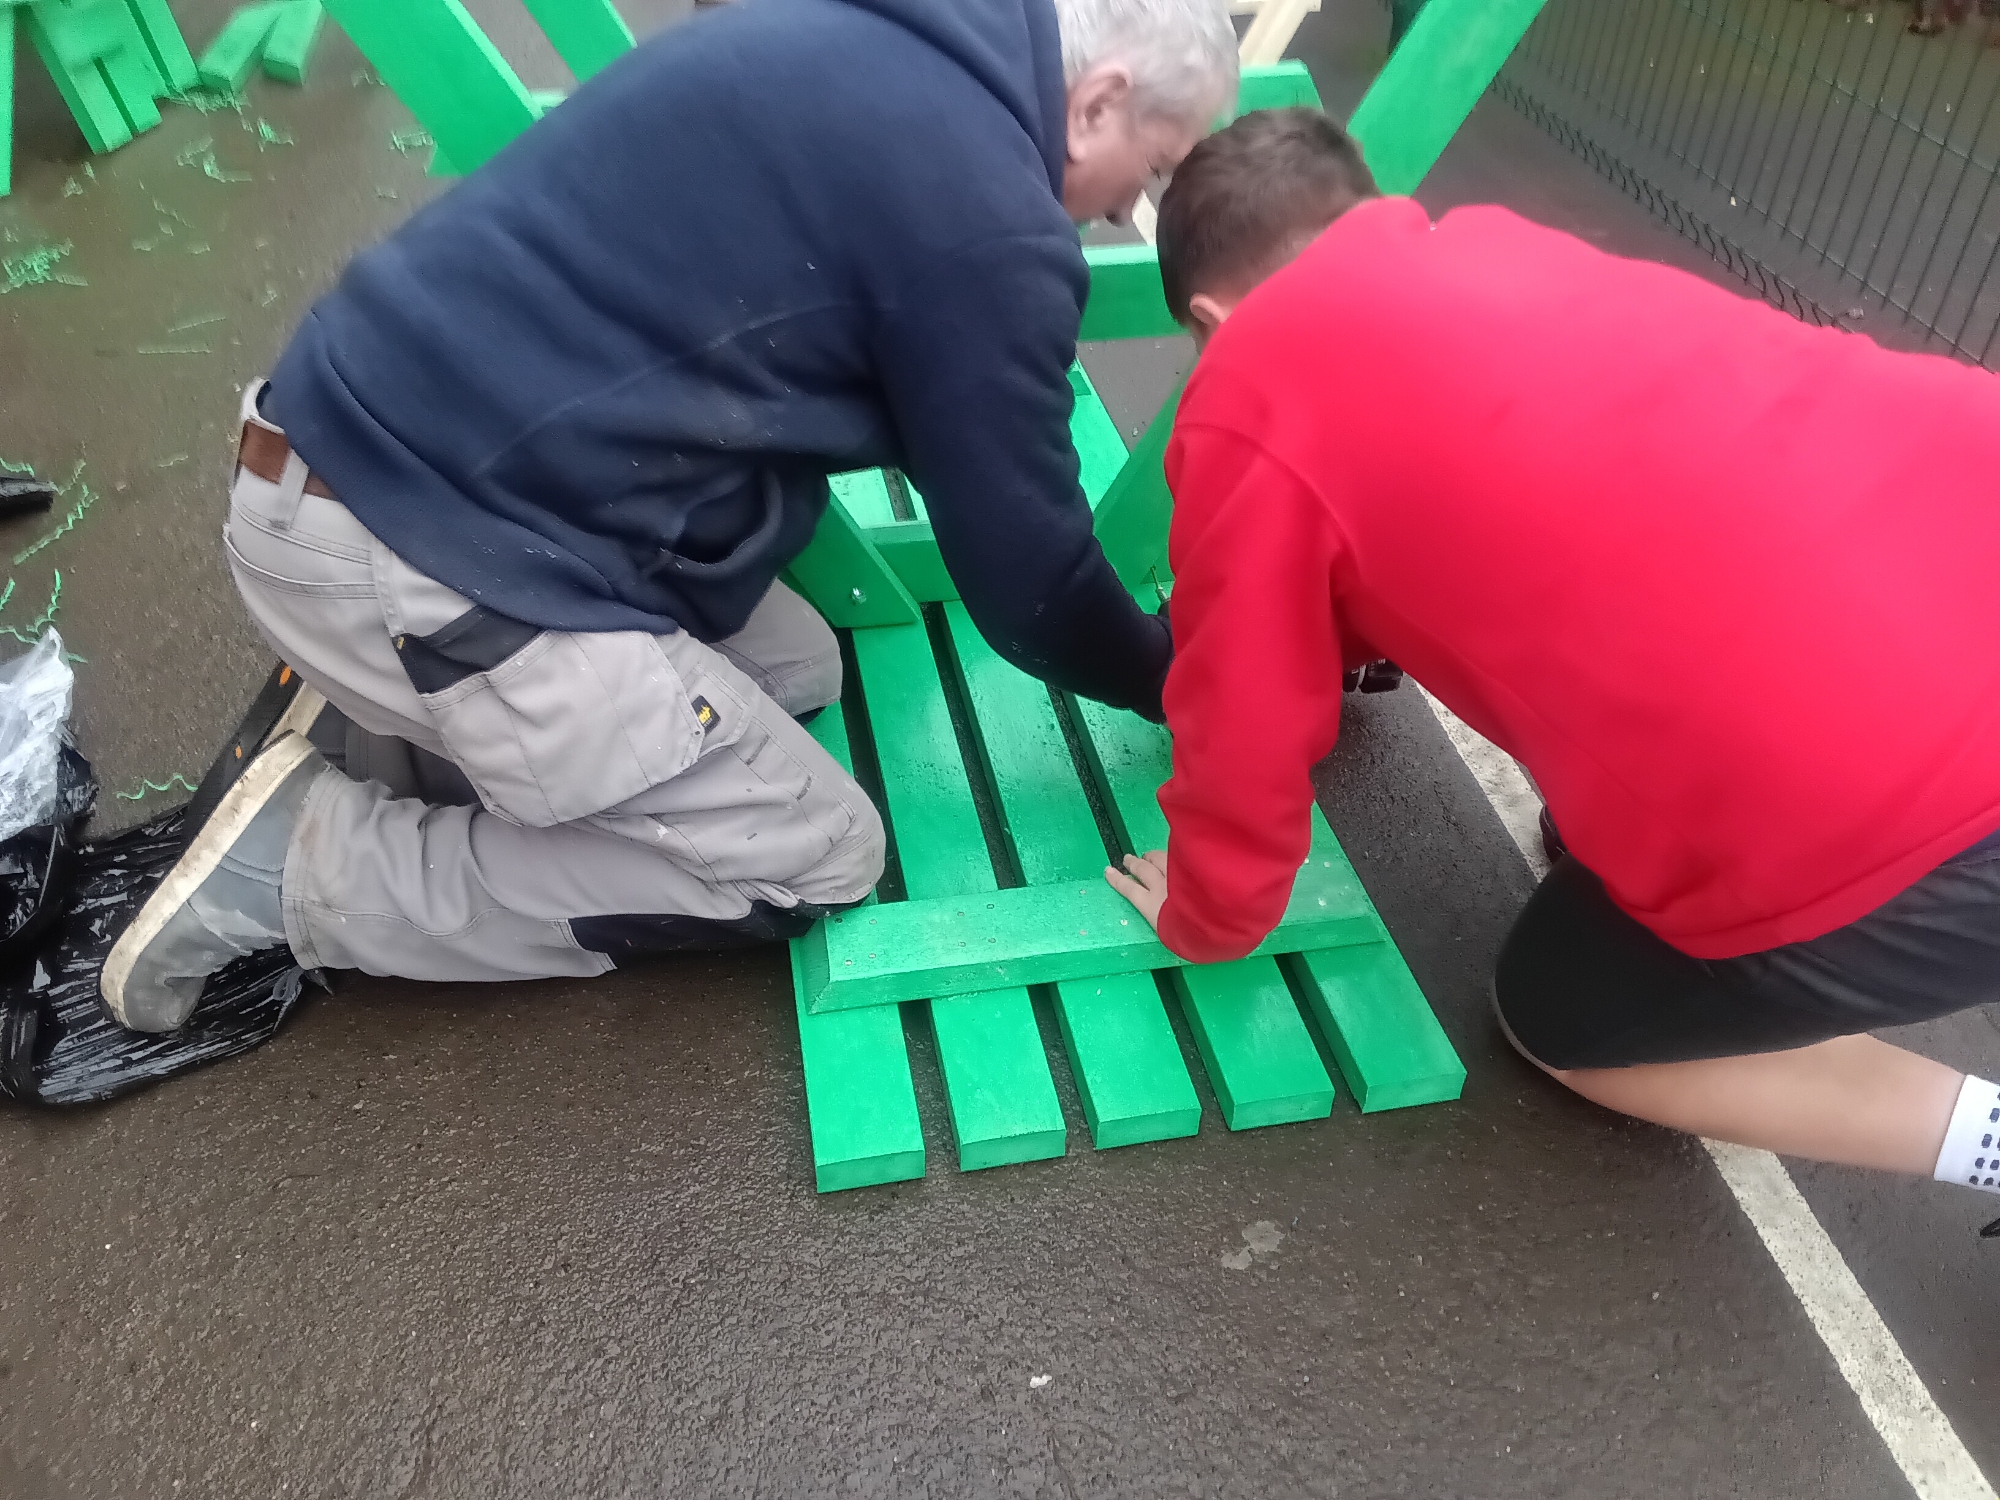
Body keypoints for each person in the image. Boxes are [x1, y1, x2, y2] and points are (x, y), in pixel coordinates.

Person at [100, 0, 1239, 1033]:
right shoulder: (991, 223)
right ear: (1097, 101)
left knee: (795, 667)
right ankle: (300, 866)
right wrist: (1190, 687)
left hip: (331, 453)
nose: (1119, 214)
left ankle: (395, 726)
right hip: (412, 556)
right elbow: (1031, 582)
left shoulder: (877, 28)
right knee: (813, 855)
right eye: (1149, 171)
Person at [1107, 107, 2000, 1216]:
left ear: (1210, 319)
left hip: (1923, 826)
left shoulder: (1249, 392)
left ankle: (1989, 1141)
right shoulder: (1495, 245)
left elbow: (1239, 715)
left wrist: (1208, 911)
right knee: (1601, 831)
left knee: (1560, 1009)